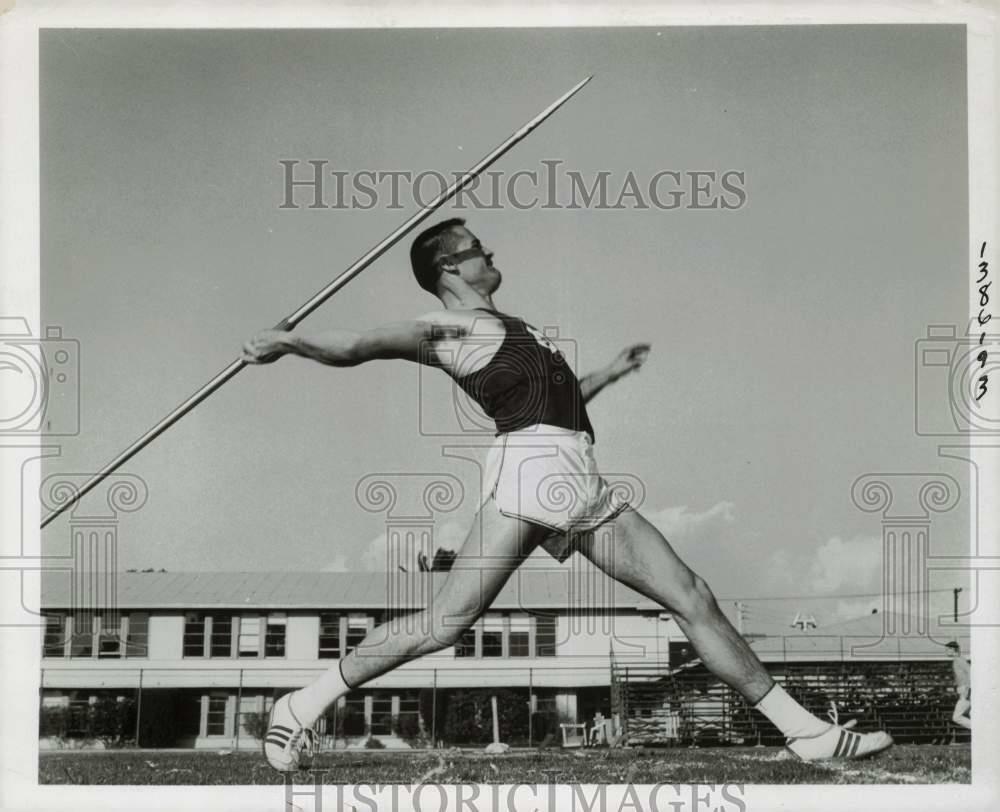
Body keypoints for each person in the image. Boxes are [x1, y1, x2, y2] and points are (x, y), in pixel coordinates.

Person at [243, 217, 893, 769]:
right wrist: (291, 342)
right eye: (478, 249)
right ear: (449, 267)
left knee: (691, 595)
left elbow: (559, 400)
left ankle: (805, 733)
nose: (491, 255)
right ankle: (300, 706)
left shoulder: (514, 327)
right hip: (530, 473)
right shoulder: (450, 326)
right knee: (445, 624)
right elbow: (359, 345)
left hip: (578, 475)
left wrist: (606, 373)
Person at [946, 641, 971, 731]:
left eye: (947, 650)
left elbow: (970, 672)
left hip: (966, 691)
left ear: (952, 649)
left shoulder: (959, 659)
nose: (946, 652)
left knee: (956, 717)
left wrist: (967, 689)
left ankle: (980, 730)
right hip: (964, 690)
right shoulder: (958, 659)